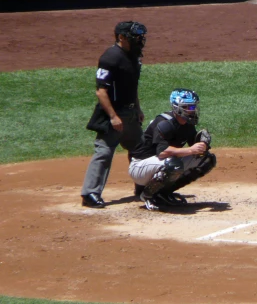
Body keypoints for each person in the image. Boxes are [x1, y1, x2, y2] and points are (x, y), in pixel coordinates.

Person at [80, 21, 147, 208]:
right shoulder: (110, 58)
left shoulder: (133, 56)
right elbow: (101, 91)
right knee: (104, 153)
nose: (140, 40)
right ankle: (90, 193)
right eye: (135, 37)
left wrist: (138, 108)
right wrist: (113, 116)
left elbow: (132, 87)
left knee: (140, 149)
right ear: (121, 37)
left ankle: (142, 186)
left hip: (131, 114)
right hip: (113, 115)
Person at [128, 89, 217, 211]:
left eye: (193, 107)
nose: (193, 110)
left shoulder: (188, 124)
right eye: (189, 107)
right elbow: (162, 152)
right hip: (139, 166)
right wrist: (191, 150)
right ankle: (148, 195)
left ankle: (163, 192)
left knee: (207, 160)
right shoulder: (164, 122)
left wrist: (203, 144)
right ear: (178, 108)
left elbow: (196, 149)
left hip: (158, 164)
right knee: (173, 164)